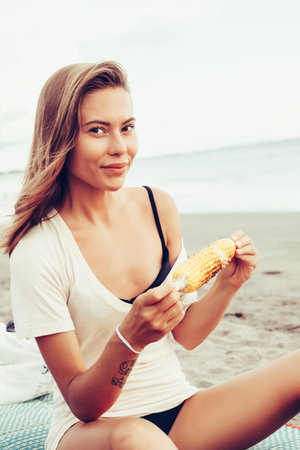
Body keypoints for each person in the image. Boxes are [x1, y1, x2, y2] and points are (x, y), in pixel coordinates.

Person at [1, 61, 299, 450]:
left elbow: (187, 334)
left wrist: (227, 286)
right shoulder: (37, 250)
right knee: (134, 436)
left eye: (127, 128)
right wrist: (128, 338)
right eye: (97, 130)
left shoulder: (158, 208)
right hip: (94, 431)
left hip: (178, 410)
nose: (120, 148)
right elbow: (82, 403)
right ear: (62, 139)